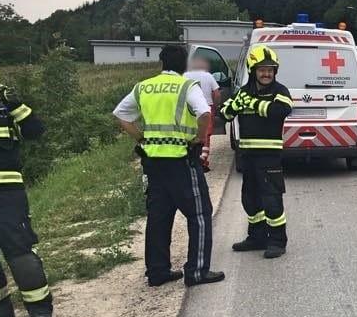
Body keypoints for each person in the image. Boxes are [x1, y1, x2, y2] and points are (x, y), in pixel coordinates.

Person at [114, 45, 224, 287]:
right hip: (181, 160)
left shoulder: (144, 87)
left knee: (159, 217)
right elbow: (205, 113)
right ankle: (197, 271)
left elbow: (121, 114)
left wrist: (141, 138)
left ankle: (157, 272)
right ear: (184, 65)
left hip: (153, 163)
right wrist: (198, 139)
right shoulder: (187, 86)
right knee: (199, 214)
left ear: (162, 63)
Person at [0, 60, 54, 317]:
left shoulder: (4, 109)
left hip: (6, 195)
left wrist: (15, 104)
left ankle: (39, 309)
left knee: (19, 251)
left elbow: (36, 131)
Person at [222, 46, 292, 259]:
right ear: (253, 71)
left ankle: (277, 241)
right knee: (250, 199)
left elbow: (281, 110)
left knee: (271, 200)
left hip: (269, 156)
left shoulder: (280, 91)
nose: (266, 74)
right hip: (247, 155)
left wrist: (253, 103)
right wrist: (234, 105)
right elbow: (224, 114)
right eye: (262, 70)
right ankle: (257, 237)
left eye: (270, 70)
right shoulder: (243, 92)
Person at [184, 56, 220, 172]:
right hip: (207, 107)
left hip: (189, 108)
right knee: (206, 135)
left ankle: (190, 158)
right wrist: (216, 106)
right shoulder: (208, 76)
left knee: (190, 133)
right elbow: (217, 94)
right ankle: (203, 161)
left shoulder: (184, 76)